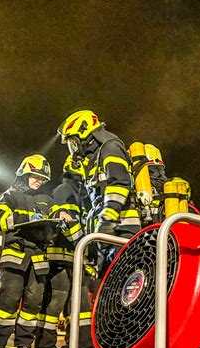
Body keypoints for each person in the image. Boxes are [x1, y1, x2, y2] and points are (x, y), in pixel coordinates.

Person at [0, 154, 57, 348]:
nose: (39, 181)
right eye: (35, 176)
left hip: (38, 257)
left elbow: (55, 222)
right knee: (8, 301)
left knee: (32, 304)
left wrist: (59, 220)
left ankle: (24, 346)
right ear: (23, 173)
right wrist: (26, 218)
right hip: (16, 255)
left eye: (42, 179)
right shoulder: (10, 196)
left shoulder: (47, 200)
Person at [58, 110, 141, 274]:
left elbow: (119, 183)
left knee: (125, 284)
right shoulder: (93, 160)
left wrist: (107, 218)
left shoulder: (111, 147)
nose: (72, 148)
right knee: (110, 289)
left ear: (84, 132)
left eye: (73, 142)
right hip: (108, 234)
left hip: (122, 230)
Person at [49, 155, 94, 348]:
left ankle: (82, 345)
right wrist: (80, 242)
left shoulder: (80, 196)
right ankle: (46, 345)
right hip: (61, 258)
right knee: (55, 303)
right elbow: (64, 221)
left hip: (75, 259)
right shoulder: (64, 191)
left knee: (82, 306)